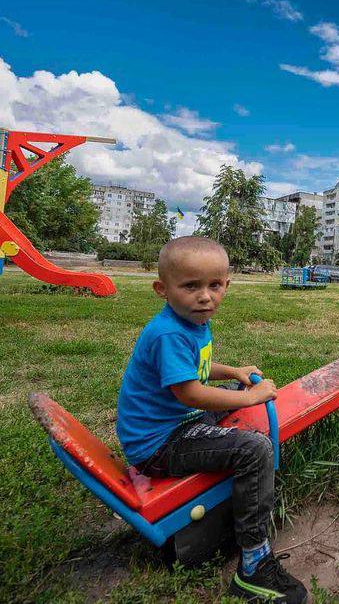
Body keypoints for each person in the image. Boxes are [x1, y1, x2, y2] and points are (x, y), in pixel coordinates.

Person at [116, 236, 306, 603]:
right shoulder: (169, 333)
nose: (205, 297)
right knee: (255, 449)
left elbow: (197, 369)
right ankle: (253, 565)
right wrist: (250, 396)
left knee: (234, 398)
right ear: (162, 289)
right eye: (191, 286)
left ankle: (237, 477)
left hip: (175, 424)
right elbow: (190, 393)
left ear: (226, 285)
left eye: (214, 285)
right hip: (160, 445)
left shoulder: (189, 321)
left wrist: (233, 372)